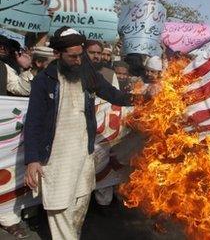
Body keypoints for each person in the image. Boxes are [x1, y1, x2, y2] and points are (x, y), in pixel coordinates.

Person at [23, 26, 135, 240]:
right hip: (55, 157)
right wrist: (33, 160)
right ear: (57, 54)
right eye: (72, 57)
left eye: (80, 55)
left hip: (83, 154)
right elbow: (34, 122)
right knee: (59, 206)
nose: (78, 60)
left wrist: (142, 96)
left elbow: (114, 95)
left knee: (79, 205)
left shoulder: (87, 73)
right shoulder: (44, 80)